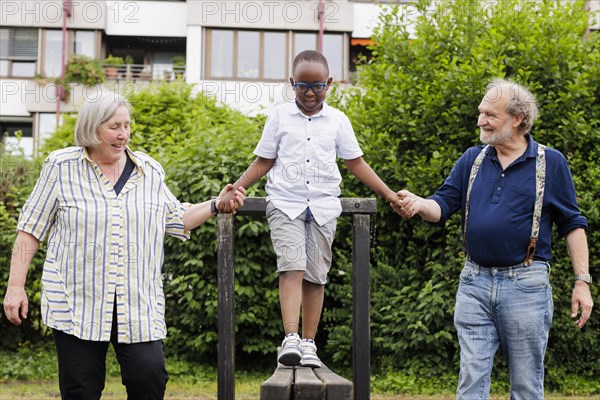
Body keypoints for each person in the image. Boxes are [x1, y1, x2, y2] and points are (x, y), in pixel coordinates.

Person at [2, 92, 246, 400]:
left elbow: (177, 219)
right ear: (92, 128)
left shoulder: (149, 170)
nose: (124, 134)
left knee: (150, 379)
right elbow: (30, 230)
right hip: (77, 304)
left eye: (127, 125)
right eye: (115, 126)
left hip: (137, 304)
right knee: (81, 390)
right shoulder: (60, 167)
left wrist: (215, 203)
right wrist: (15, 287)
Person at [394, 78, 593, 399]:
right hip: (474, 282)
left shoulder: (549, 163)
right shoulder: (472, 159)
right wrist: (418, 204)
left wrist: (581, 281)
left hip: (526, 284)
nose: (480, 121)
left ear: (517, 119)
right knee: (471, 382)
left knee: (526, 386)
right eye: (480, 112)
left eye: (489, 114)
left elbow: (573, 224)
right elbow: (441, 205)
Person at [219, 50, 399, 368]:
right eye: (303, 86)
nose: (311, 93)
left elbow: (355, 163)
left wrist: (388, 194)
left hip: (324, 207)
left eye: (317, 85)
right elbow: (264, 161)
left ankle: (308, 342)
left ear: (329, 84)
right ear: (292, 84)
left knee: (316, 276)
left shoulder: (338, 121)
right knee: (292, 266)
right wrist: (237, 187)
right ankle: (290, 337)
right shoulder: (279, 117)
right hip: (286, 204)